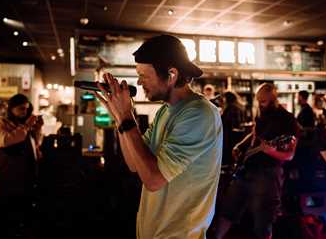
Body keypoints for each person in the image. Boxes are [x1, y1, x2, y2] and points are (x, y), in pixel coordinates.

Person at [93, 34, 223, 239]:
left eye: (144, 75)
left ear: (171, 74)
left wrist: (127, 118)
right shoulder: (165, 111)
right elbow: (135, 164)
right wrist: (119, 118)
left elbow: (153, 179)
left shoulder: (200, 113)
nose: (139, 82)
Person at [212, 83, 298, 239]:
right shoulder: (261, 114)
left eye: (263, 101)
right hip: (247, 170)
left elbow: (290, 155)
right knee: (228, 211)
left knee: (263, 223)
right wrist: (240, 145)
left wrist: (271, 151)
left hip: (268, 175)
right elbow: (254, 134)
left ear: (273, 100)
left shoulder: (287, 119)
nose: (260, 105)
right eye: (258, 101)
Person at [0, 94, 43, 237]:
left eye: (27, 109)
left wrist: (37, 128)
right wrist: (26, 126)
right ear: (11, 108)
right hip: (7, 174)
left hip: (26, 176)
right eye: (21, 109)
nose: (24, 112)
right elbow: (5, 141)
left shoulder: (26, 125)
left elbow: (36, 143)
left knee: (24, 211)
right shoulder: (1, 122)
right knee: (7, 211)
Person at [221, 91, 246, 166]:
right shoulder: (238, 107)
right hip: (235, 136)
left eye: (224, 98)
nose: (223, 100)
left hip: (229, 136)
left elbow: (226, 122)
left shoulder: (230, 108)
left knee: (228, 157)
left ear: (227, 99)